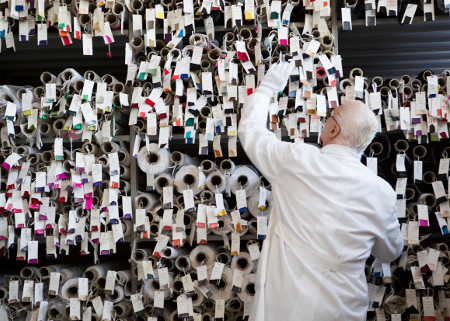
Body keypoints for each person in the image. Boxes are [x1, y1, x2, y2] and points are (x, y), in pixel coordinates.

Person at [238, 62, 404, 321]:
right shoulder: (381, 192)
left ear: (333, 129)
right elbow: (390, 252)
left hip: (287, 304)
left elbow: (251, 132)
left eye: (330, 118)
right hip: (344, 307)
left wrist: (267, 88)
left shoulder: (296, 160)